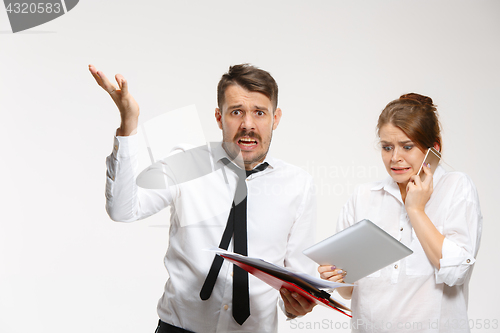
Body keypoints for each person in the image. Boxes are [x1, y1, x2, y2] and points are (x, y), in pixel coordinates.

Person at [89, 63, 317, 333]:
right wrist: (128, 124)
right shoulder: (187, 162)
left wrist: (296, 305)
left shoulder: (298, 185)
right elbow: (122, 210)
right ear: (219, 118)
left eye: (259, 113)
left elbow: (297, 280)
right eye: (236, 112)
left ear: (275, 118)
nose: (248, 125)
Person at [318, 93, 482, 333]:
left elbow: (456, 273)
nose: (395, 158)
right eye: (387, 147)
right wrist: (336, 278)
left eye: (407, 146)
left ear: (434, 148)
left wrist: (415, 209)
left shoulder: (457, 188)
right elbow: (348, 291)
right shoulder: (364, 197)